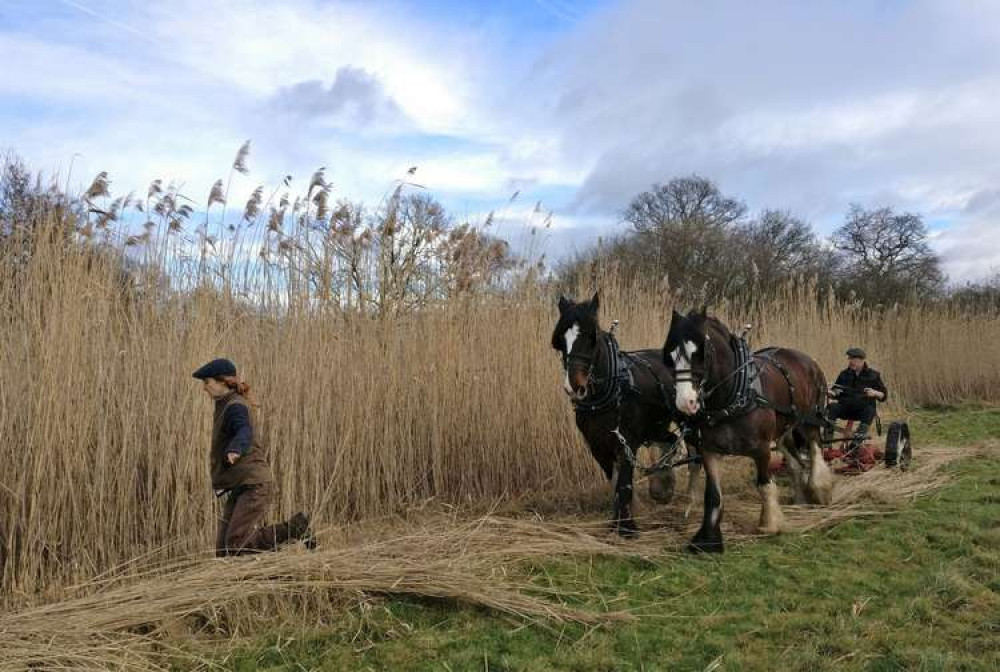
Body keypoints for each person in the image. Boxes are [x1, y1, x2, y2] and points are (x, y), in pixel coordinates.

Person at [192, 358, 313, 556]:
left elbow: (244, 430)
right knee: (224, 550)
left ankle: (294, 528)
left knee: (236, 543)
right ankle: (239, 582)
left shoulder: (235, 406)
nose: (204, 388)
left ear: (222, 382)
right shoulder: (225, 404)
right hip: (242, 484)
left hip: (254, 484)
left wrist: (235, 450)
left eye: (207, 382)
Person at [824, 347, 888, 444]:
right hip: (845, 409)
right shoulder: (844, 374)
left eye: (854, 359)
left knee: (870, 410)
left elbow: (883, 395)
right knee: (832, 407)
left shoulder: (873, 375)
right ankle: (827, 443)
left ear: (862, 360)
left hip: (862, 411)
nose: (851, 362)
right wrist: (832, 393)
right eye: (850, 359)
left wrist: (875, 393)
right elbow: (836, 392)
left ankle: (855, 445)